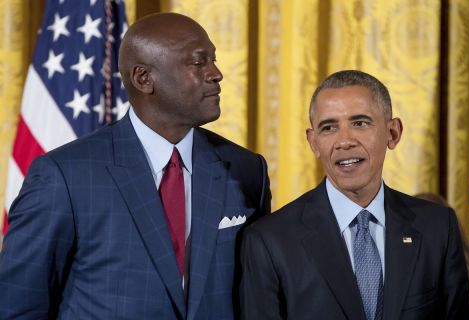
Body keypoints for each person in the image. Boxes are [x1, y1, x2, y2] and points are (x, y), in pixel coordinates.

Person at [0, 13, 270, 319]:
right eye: (198, 62)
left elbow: (259, 299)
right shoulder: (64, 176)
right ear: (144, 78)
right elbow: (17, 307)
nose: (216, 73)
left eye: (213, 59)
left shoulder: (246, 170)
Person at [240, 70, 469, 319]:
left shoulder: (437, 227)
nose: (345, 141)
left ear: (393, 133)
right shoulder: (270, 240)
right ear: (313, 142)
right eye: (329, 127)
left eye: (360, 123)